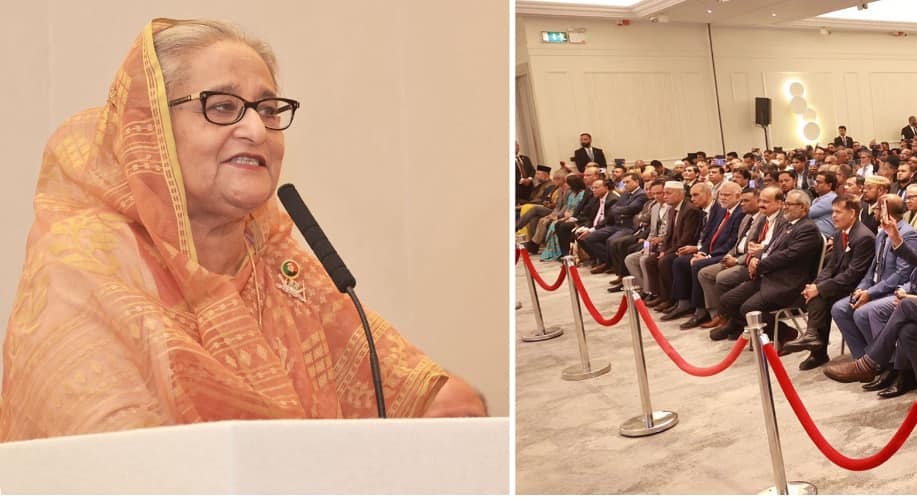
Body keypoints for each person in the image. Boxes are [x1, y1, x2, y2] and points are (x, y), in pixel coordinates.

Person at [0, 19, 485, 442]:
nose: (256, 130)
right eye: (222, 106)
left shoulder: (280, 265)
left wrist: (450, 417)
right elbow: (115, 463)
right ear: (148, 128)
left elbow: (437, 401)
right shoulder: (86, 265)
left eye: (269, 110)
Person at [780, 195, 875, 370]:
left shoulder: (864, 237)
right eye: (833, 212)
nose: (833, 216)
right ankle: (815, 344)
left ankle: (816, 346)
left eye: (838, 212)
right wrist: (816, 284)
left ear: (852, 213)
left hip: (858, 286)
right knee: (816, 293)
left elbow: (853, 274)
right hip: (841, 283)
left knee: (821, 296)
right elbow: (830, 266)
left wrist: (820, 288)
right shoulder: (839, 233)